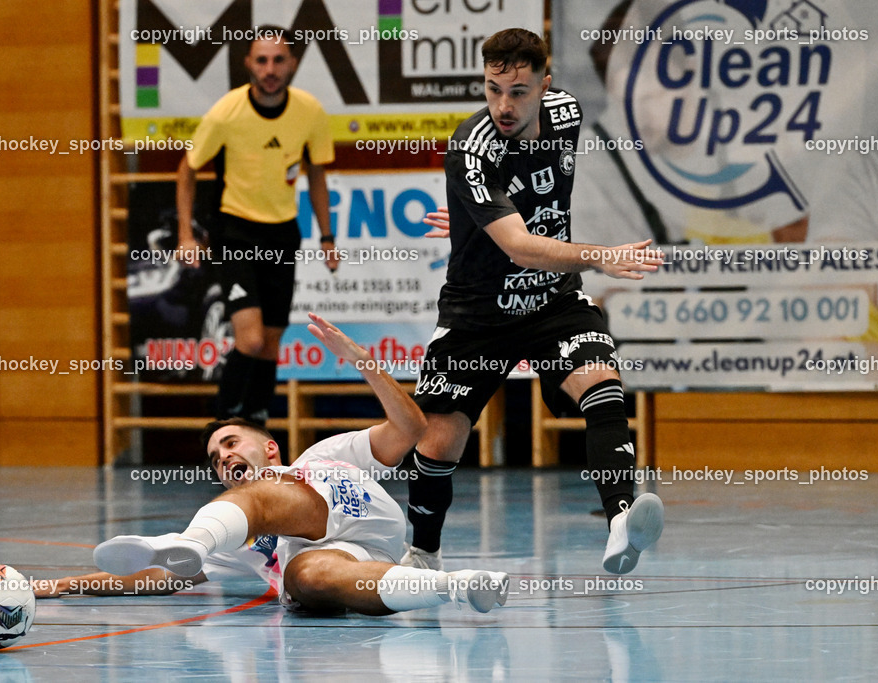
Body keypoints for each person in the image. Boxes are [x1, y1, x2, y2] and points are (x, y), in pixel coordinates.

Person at [402, 28, 665, 575]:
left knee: (601, 381)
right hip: (478, 314)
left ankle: (620, 521)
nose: (503, 104)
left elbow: (522, 209)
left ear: (545, 85)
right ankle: (422, 553)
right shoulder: (472, 149)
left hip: (551, 300)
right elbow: (520, 247)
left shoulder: (566, 115)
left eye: (519, 91)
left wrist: (487, 220)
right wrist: (596, 255)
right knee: (440, 439)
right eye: (493, 88)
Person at [34, 314, 508, 615]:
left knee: (256, 499)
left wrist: (365, 362)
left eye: (232, 443)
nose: (225, 457)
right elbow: (156, 578)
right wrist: (60, 585)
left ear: (271, 450)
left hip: (349, 507)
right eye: (217, 458)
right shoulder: (239, 540)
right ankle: (458, 587)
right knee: (305, 580)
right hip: (367, 561)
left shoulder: (325, 455)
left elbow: (410, 428)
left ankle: (187, 541)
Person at [177, 26, 338, 425]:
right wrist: (185, 234)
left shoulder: (309, 111)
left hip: (282, 234)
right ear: (248, 63)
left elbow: (316, 174)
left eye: (278, 60)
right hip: (236, 232)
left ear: (292, 64)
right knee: (248, 338)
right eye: (262, 60)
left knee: (269, 344)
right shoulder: (227, 112)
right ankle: (223, 427)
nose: (270, 69)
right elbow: (187, 168)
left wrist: (327, 236)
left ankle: (255, 427)